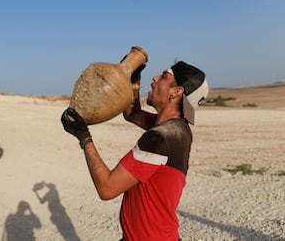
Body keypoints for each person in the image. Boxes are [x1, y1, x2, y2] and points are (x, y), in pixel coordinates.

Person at [61, 60, 208, 240]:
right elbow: (133, 114)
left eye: (163, 76)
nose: (154, 78)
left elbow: (107, 188)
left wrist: (84, 137)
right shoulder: (178, 128)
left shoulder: (160, 138)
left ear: (176, 91)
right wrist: (133, 82)